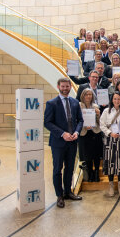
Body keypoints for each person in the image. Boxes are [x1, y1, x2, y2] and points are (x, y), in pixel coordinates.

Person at [44, 78, 84, 208]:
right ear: (58, 87)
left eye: (67, 86)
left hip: (72, 141)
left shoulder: (75, 102)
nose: (65, 88)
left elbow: (80, 121)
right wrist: (63, 134)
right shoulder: (52, 103)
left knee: (70, 168)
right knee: (57, 169)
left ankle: (68, 192)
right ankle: (59, 195)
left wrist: (77, 132)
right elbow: (47, 122)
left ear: (70, 87)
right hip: (58, 143)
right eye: (63, 86)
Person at [99, 91, 120, 197]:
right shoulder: (106, 111)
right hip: (109, 140)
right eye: (115, 99)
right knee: (110, 162)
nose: (117, 101)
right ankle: (111, 185)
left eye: (119, 99)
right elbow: (102, 125)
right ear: (112, 100)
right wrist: (110, 133)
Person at [79, 88, 102, 182]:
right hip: (84, 133)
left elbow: (99, 122)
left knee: (96, 154)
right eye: (86, 94)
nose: (88, 96)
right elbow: (77, 120)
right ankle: (90, 172)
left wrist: (98, 114)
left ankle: (96, 173)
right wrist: (85, 126)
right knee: (87, 155)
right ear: (83, 96)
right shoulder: (79, 106)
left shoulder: (95, 106)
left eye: (90, 94)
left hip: (95, 132)